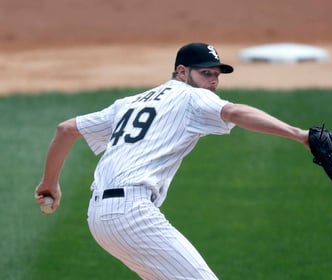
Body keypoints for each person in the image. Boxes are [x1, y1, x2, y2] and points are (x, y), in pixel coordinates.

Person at [35, 42, 309, 279]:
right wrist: (300, 135)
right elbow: (235, 112)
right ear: (181, 72)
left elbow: (66, 130)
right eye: (205, 73)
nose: (212, 81)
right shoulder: (193, 97)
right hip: (131, 214)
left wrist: (50, 184)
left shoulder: (129, 102)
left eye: (216, 75)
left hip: (99, 218)